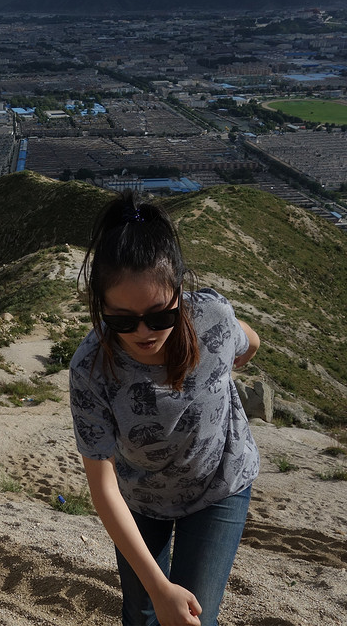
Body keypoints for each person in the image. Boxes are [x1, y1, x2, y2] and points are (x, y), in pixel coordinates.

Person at [69, 193, 261, 626]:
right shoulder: (90, 368)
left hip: (219, 484)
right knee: (142, 610)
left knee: (195, 615)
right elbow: (103, 489)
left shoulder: (211, 317)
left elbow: (249, 343)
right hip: (138, 497)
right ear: (100, 309)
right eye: (121, 320)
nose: (143, 332)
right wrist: (158, 587)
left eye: (160, 316)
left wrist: (217, 373)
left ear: (180, 292)